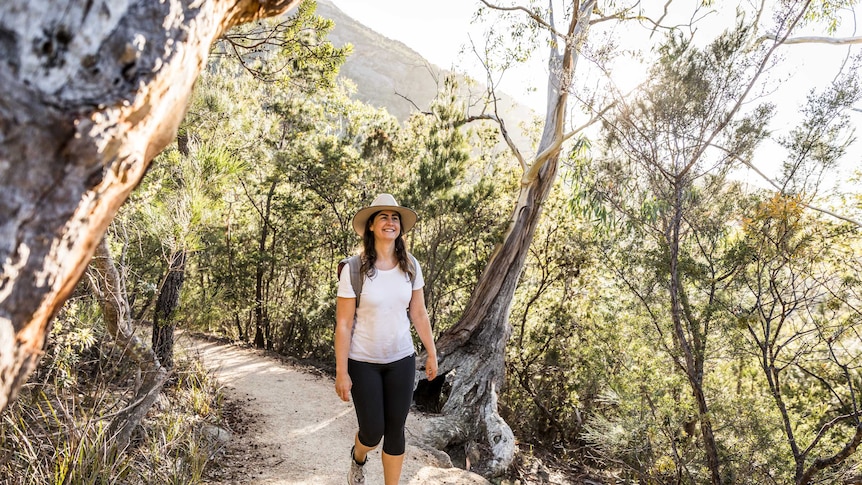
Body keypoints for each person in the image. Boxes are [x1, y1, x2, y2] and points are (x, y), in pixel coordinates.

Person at [334, 193, 438, 485]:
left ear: (400, 228)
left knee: (396, 430)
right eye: (383, 216)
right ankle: (358, 455)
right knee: (372, 431)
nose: (390, 222)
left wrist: (431, 352)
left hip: (401, 359)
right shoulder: (354, 270)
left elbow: (419, 313)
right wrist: (342, 371)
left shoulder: (411, 266)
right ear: (370, 226)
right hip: (362, 361)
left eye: (395, 218)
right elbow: (343, 324)